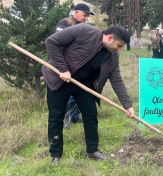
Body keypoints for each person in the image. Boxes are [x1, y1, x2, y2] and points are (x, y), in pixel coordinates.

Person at [42, 23, 135, 164]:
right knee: (56, 118)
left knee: (91, 115)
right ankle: (55, 155)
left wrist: (127, 105)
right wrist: (63, 68)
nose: (119, 50)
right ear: (110, 37)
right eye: (119, 45)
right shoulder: (83, 30)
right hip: (59, 80)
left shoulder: (112, 55)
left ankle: (92, 151)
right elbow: (51, 42)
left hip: (83, 84)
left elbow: (116, 79)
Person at [57, 3, 95, 129]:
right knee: (70, 92)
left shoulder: (82, 26)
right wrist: (63, 67)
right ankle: (64, 117)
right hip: (66, 65)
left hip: (79, 65)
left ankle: (74, 116)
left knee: (81, 90)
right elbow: (57, 44)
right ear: (76, 12)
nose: (86, 18)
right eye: (84, 15)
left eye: (88, 16)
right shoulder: (65, 23)